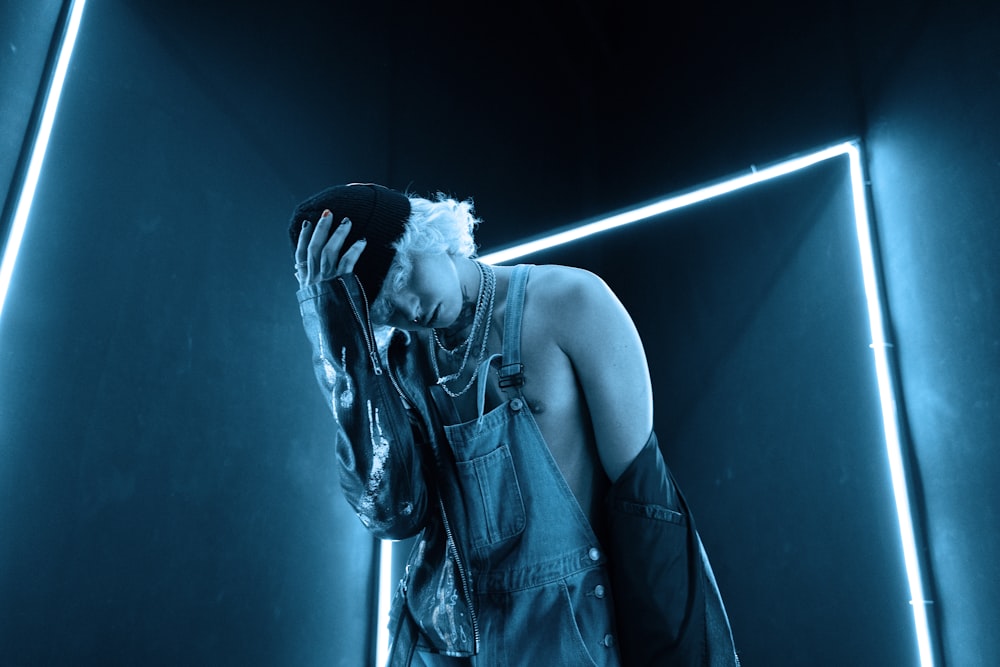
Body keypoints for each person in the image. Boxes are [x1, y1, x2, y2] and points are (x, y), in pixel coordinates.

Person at [289, 182, 739, 666]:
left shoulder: (572, 303)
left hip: (567, 637)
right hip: (445, 646)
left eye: (402, 279)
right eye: (387, 311)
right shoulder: (397, 363)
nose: (411, 311)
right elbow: (393, 513)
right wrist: (343, 348)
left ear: (426, 235)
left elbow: (646, 508)